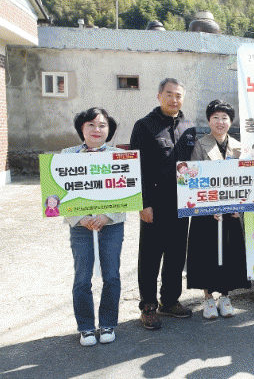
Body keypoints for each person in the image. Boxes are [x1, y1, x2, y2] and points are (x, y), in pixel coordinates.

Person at [130, 78, 196, 330]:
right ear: (159, 96)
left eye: (178, 95)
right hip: (155, 203)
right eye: (169, 94)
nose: (174, 99)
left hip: (183, 203)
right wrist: (143, 203)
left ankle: (169, 300)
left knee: (177, 254)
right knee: (150, 255)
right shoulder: (144, 126)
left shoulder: (189, 127)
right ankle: (148, 306)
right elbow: (136, 168)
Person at [62, 107, 125, 346]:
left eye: (102, 125)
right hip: (81, 227)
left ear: (109, 130)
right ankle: (86, 327)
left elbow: (127, 191)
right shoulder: (66, 155)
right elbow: (59, 193)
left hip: (112, 225)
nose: (97, 130)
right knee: (82, 278)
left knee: (112, 275)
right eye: (91, 125)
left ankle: (108, 323)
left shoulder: (120, 156)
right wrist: (80, 218)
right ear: (82, 128)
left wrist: (107, 215)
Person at [186, 99, 251, 319]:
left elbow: (245, 180)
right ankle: (208, 297)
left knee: (230, 253)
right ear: (208, 120)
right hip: (206, 213)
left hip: (232, 211)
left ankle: (225, 296)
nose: (220, 122)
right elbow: (193, 180)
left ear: (231, 121)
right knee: (206, 254)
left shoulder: (239, 146)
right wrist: (207, 206)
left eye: (225, 118)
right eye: (215, 117)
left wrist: (241, 206)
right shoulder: (200, 145)